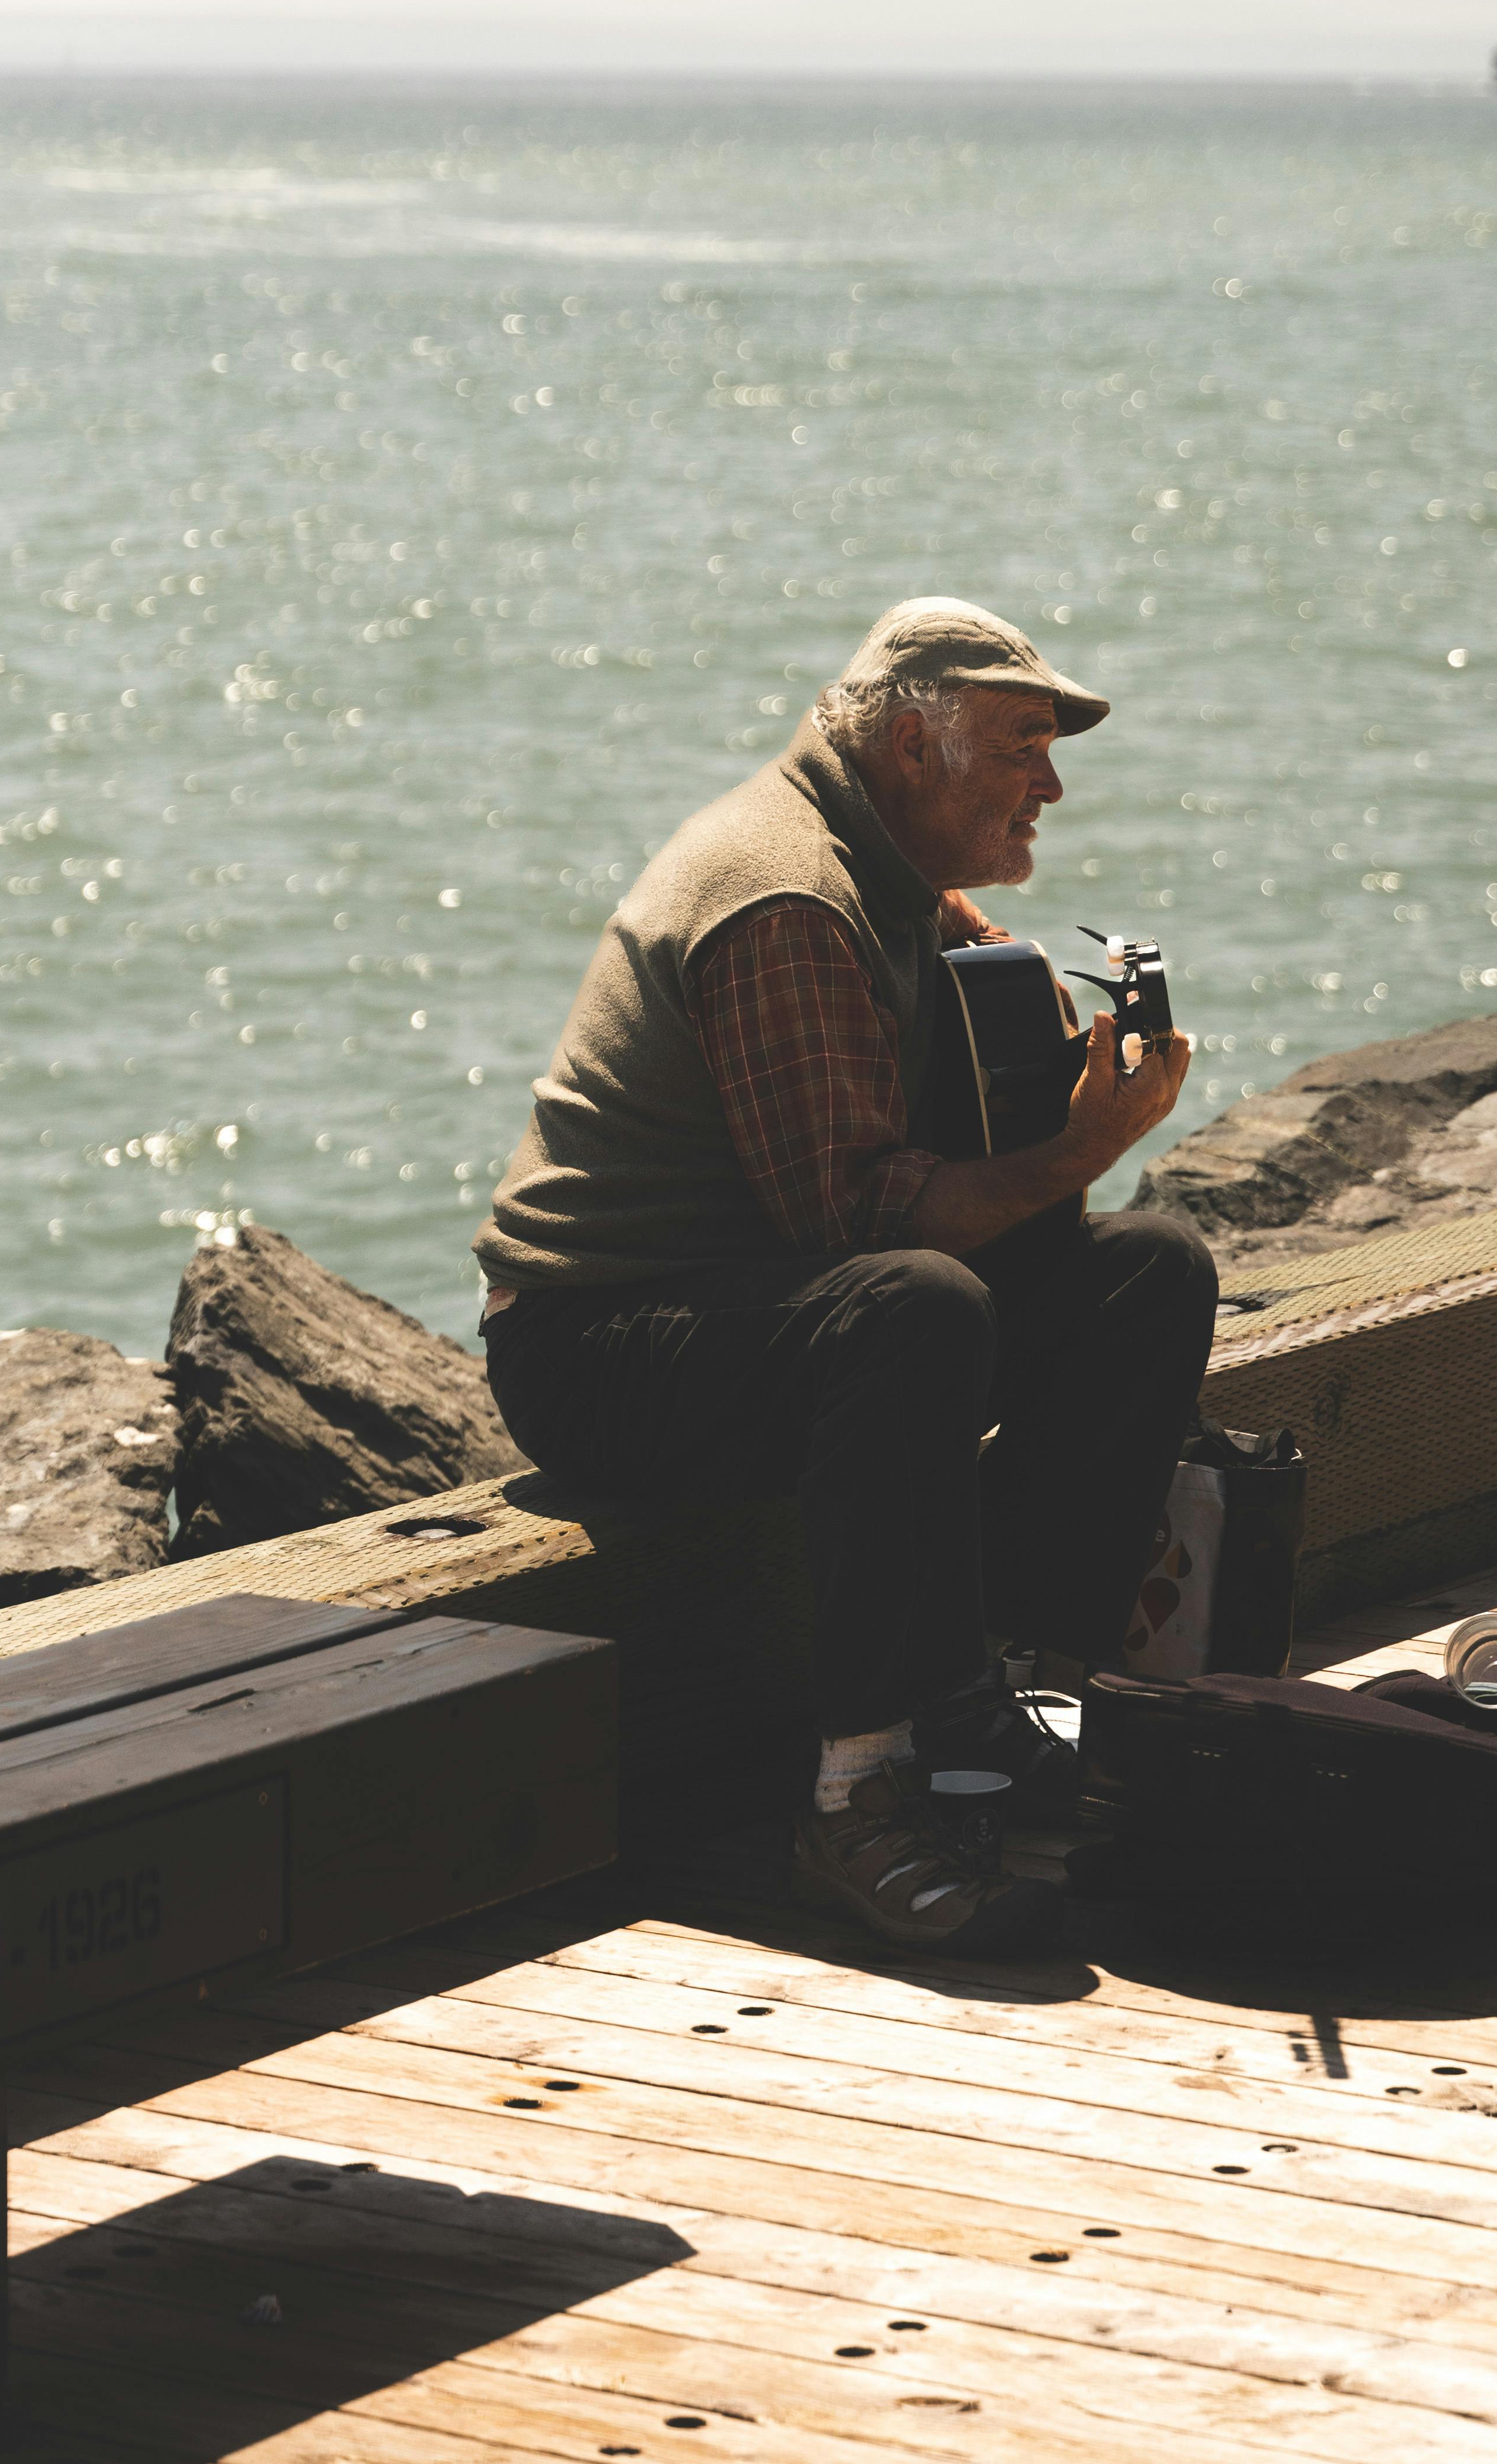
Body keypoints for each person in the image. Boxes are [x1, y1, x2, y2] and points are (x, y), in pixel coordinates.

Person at [477, 597, 1217, 1953]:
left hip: (756, 1306)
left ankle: (976, 1702)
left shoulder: (889, 872)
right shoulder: (785, 896)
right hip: (594, 1341)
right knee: (916, 1307)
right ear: (907, 749)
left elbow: (922, 1161)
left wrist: (1057, 1069)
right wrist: (1084, 1144)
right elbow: (854, 1222)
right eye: (1021, 746)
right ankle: (855, 1791)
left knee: (1150, 1271)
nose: (1051, 783)